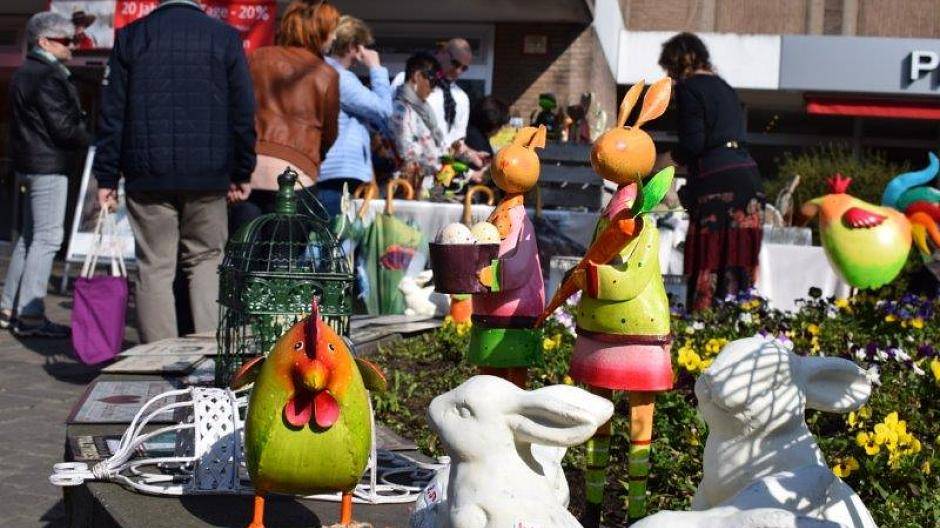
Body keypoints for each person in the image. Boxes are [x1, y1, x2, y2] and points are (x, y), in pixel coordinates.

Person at [94, 0, 256, 343]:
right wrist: (243, 170)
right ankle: (210, 353)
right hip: (208, 174)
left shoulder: (132, 37)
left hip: (146, 173)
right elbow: (243, 111)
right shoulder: (224, 37)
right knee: (207, 260)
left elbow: (112, 114)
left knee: (155, 265)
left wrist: (106, 176)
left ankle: (158, 357)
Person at [659, 32, 765, 311]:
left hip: (717, 183)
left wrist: (661, 163)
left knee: (709, 262)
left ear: (679, 62)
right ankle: (738, 320)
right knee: (739, 265)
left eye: (669, 69)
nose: (670, 77)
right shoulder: (725, 88)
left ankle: (703, 324)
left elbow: (693, 144)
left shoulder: (689, 88)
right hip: (748, 179)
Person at [1, 12, 90, 337]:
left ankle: (10, 307)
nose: (71, 46)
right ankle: (31, 315)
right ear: (44, 42)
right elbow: (64, 128)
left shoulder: (26, 72)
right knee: (48, 238)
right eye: (65, 40)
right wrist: (90, 136)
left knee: (30, 238)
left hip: (29, 164)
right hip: (47, 165)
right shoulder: (47, 75)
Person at [228, 0, 340, 230]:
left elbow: (235, 114)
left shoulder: (256, 58)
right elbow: (330, 134)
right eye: (332, 31)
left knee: (243, 251)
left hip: (250, 174)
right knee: (286, 253)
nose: (335, 37)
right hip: (297, 176)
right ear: (319, 32)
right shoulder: (326, 74)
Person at [318, 15, 392, 216]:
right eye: (361, 46)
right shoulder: (340, 77)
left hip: (332, 172)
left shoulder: (327, 71)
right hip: (337, 174)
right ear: (352, 46)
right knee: (333, 232)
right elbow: (384, 109)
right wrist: (376, 68)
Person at [392, 38, 474, 149]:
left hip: (441, 158)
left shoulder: (461, 98)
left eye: (464, 68)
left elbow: (457, 141)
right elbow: (388, 117)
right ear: (442, 53)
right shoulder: (406, 79)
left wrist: (469, 153)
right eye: (455, 63)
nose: (458, 71)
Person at [390, 52, 445, 189]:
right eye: (433, 82)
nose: (434, 89)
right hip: (402, 188)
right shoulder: (401, 109)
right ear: (417, 76)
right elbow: (407, 152)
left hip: (421, 186)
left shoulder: (421, 110)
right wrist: (440, 162)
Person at [464, 96, 509, 162]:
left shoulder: (466, 130)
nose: (501, 129)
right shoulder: (482, 148)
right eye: (500, 125)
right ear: (494, 124)